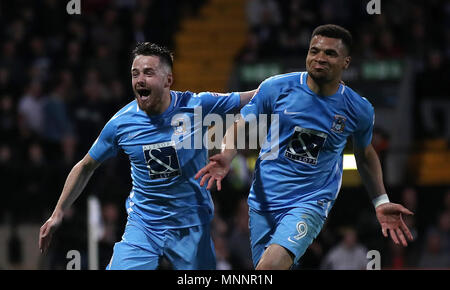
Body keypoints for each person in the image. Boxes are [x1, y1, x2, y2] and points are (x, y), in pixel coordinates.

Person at [195, 24, 414, 270]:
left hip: (310, 203)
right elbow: (241, 124)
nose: (320, 58)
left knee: (268, 269)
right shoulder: (276, 87)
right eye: (314, 51)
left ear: (346, 62)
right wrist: (226, 153)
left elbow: (365, 154)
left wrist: (381, 201)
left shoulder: (358, 109)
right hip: (263, 202)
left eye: (330, 53)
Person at [39, 42, 256, 270]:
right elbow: (85, 166)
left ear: (168, 80)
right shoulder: (121, 123)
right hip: (144, 225)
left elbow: (253, 96)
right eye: (135, 74)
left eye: (148, 73)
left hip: (191, 225)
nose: (139, 79)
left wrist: (295, 82)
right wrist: (58, 213)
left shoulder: (197, 105)